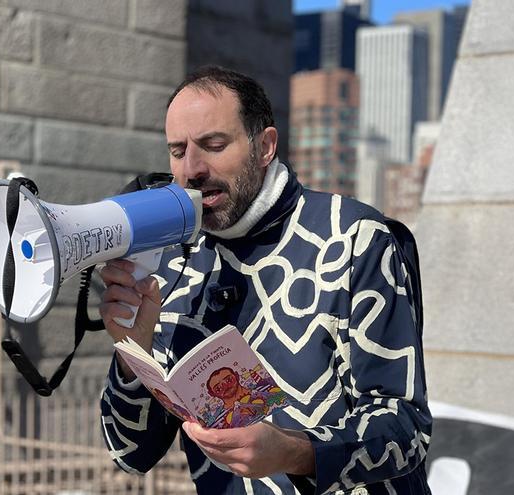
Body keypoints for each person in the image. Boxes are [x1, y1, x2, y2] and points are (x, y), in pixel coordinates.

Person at [98, 66, 432, 494]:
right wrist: (133, 351)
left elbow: (407, 429)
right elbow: (129, 453)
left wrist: (295, 452)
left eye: (214, 145)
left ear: (265, 147)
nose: (192, 169)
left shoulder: (354, 238)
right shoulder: (172, 263)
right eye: (177, 151)